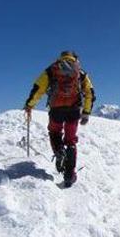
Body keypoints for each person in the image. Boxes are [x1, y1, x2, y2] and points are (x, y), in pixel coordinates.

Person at [24, 51, 96, 187]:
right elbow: (90, 93)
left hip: (56, 110)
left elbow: (38, 88)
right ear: (75, 58)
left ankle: (59, 151)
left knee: (54, 132)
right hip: (74, 111)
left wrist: (29, 105)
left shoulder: (52, 70)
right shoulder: (80, 73)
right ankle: (70, 175)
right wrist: (86, 112)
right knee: (71, 141)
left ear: (61, 57)